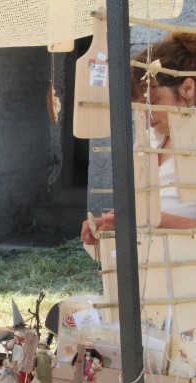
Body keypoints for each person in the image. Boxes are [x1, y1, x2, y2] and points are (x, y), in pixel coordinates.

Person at [82, 33, 196, 245]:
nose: (147, 117)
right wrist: (111, 225)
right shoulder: (151, 140)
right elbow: (140, 212)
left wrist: (149, 220)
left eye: (153, 102)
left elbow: (147, 217)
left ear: (187, 88)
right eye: (142, 107)